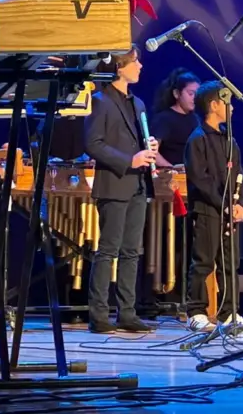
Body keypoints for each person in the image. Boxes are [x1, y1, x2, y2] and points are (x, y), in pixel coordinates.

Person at [84, 45, 159, 334]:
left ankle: (127, 312)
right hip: (114, 184)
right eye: (135, 61)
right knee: (108, 250)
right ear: (119, 67)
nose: (140, 66)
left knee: (132, 251)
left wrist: (148, 148)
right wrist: (130, 159)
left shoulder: (137, 104)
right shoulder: (101, 100)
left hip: (138, 184)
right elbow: (93, 144)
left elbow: (136, 141)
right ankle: (98, 314)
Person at [184, 81, 243, 330]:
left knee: (229, 263)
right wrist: (223, 203)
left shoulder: (230, 141)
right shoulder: (197, 139)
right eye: (228, 103)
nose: (232, 109)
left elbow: (240, 176)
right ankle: (196, 311)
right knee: (203, 261)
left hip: (228, 211)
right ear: (214, 105)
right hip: (207, 210)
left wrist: (241, 204)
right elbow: (199, 179)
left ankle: (229, 312)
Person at [150, 68, 200, 167]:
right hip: (172, 178)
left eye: (197, 94)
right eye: (190, 93)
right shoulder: (164, 119)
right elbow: (152, 151)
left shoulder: (195, 119)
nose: (194, 98)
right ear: (176, 94)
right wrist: (173, 170)